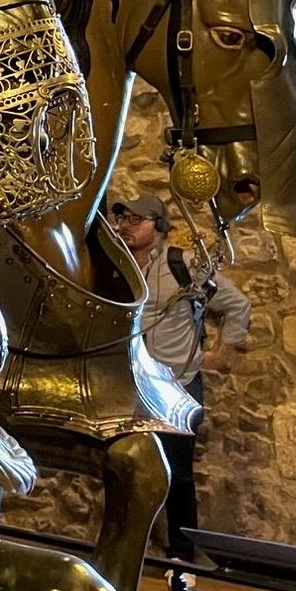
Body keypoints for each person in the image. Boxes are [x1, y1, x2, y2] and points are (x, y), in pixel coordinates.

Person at [109, 193, 252, 558]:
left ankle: (183, 554)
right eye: (122, 220)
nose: (125, 227)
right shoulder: (116, 265)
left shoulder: (182, 264)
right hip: (131, 385)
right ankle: (131, 548)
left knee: (178, 471)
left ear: (158, 226)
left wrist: (222, 353)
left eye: (135, 220)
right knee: (127, 467)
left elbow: (237, 304)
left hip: (177, 385)